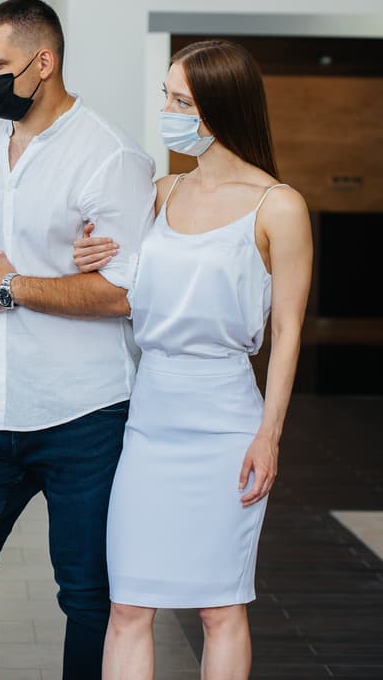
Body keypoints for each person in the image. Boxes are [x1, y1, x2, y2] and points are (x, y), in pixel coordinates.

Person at [72, 40, 312, 680]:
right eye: (168, 97)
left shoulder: (278, 206)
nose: (168, 111)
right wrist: (91, 254)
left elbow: (288, 330)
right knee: (127, 605)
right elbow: (117, 279)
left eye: (182, 101)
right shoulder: (157, 193)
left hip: (227, 421)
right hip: (150, 419)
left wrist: (270, 435)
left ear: (219, 109)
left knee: (219, 608)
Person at [0, 0, 156, 679]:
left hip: (83, 413)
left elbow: (124, 292)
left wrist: (19, 287)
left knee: (86, 593)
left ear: (44, 61)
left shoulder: (110, 156)